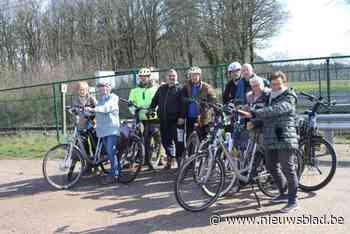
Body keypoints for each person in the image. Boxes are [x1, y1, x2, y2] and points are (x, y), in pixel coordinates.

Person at [239, 71, 299, 213]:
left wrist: (255, 113)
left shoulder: (289, 96)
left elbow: (276, 110)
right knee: (271, 166)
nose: (276, 86)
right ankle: (283, 193)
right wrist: (254, 122)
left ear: (284, 83)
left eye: (278, 84)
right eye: (273, 84)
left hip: (285, 137)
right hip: (270, 137)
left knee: (288, 169)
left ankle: (293, 201)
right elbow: (267, 115)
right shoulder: (270, 97)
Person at [85, 80, 120, 185]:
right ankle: (114, 171)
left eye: (104, 87)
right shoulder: (99, 100)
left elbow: (106, 108)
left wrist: (93, 109)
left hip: (112, 129)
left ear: (109, 88)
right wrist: (84, 111)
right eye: (100, 87)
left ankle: (115, 174)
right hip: (102, 131)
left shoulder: (113, 98)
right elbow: (96, 113)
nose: (101, 89)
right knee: (108, 153)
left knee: (110, 152)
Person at [150, 69, 183, 169]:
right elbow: (154, 101)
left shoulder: (181, 89)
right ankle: (170, 158)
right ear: (166, 77)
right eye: (170, 76)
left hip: (176, 121)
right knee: (165, 141)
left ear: (176, 77)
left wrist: (181, 117)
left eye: (173, 76)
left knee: (178, 142)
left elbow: (184, 105)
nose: (172, 78)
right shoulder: (161, 89)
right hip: (163, 120)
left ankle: (180, 163)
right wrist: (151, 109)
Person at [128, 67, 159, 171]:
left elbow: (159, 101)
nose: (143, 79)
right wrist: (134, 111)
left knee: (154, 134)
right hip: (141, 117)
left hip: (153, 116)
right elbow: (130, 104)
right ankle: (144, 159)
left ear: (149, 77)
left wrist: (154, 109)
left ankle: (159, 155)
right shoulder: (134, 90)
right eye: (141, 77)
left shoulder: (155, 88)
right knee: (143, 137)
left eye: (145, 77)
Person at [178, 66, 217, 141]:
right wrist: (187, 100)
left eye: (196, 75)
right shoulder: (186, 86)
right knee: (189, 138)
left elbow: (213, 100)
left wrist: (207, 105)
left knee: (203, 138)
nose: (194, 77)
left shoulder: (206, 87)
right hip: (190, 117)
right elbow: (181, 98)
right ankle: (190, 152)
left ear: (199, 75)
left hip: (202, 117)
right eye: (192, 75)